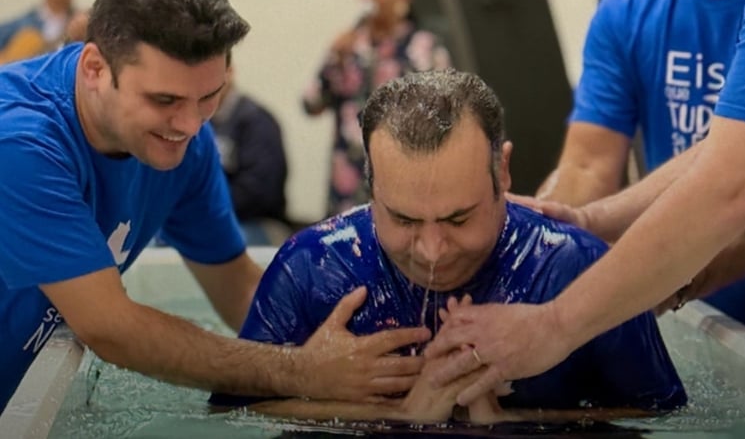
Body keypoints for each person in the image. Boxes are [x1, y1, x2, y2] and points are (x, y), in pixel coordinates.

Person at [0, 0, 431, 412]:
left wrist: (369, 366)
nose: (188, 125)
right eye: (164, 99)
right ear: (95, 69)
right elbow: (113, 328)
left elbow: (239, 288)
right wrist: (303, 370)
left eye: (209, 96)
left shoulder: (187, 143)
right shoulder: (19, 143)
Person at [423, 0, 745, 407]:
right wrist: (573, 228)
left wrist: (557, 323)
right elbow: (719, 154)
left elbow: (741, 185)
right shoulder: (635, 8)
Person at [212, 70, 686, 423]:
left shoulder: (577, 270)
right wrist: (382, 412)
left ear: (502, 173)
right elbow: (227, 418)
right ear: (370, 189)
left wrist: (508, 424)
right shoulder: (312, 269)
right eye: (403, 219)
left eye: (459, 217)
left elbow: (666, 419)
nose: (433, 250)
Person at [534, 0, 745, 365]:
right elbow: (585, 165)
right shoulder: (628, 9)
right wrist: (530, 254)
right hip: (708, 327)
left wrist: (645, 284)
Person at [302, 0, 451, 218]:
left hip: (406, 174)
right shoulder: (347, 47)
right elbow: (310, 104)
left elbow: (445, 111)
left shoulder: (423, 47)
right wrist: (334, 59)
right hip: (349, 179)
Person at [210, 64, 289, 245]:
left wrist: (204, 208)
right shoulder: (193, 124)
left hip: (256, 222)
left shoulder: (258, 122)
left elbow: (260, 193)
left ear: (229, 72)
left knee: (214, 242)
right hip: (205, 218)